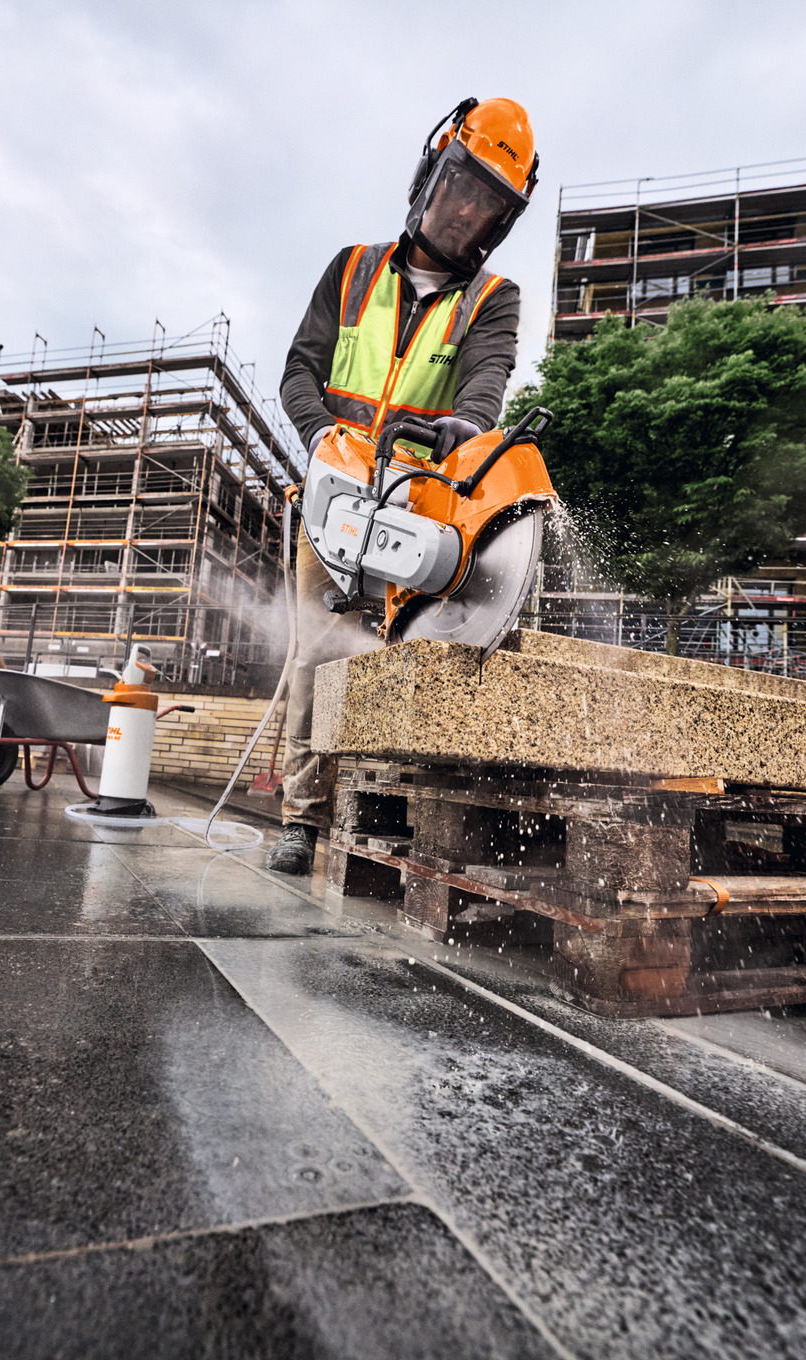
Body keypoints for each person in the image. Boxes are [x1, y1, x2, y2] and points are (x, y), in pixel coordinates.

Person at [268, 97, 539, 875]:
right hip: (333, 494)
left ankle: (387, 819)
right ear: (432, 173)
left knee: (403, 659)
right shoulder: (351, 269)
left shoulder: (493, 298)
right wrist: (321, 437)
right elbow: (299, 371)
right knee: (315, 656)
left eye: (488, 206)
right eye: (463, 188)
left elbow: (487, 379)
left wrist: (469, 425)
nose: (468, 213)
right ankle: (303, 822)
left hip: (417, 511)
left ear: (501, 221)